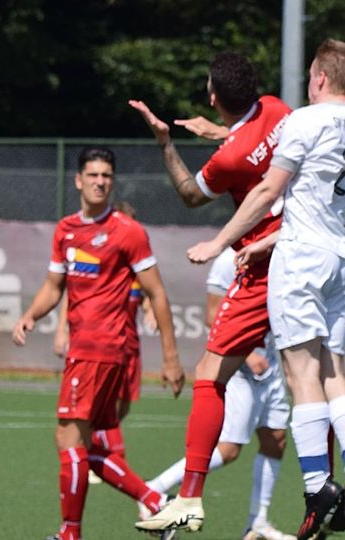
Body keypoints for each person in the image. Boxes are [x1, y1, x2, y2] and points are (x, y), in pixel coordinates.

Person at [186, 39, 345, 540]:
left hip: (301, 258)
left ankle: (317, 487)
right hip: (340, 253)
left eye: (310, 74)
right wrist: (223, 132)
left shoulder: (304, 121)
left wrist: (218, 243)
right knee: (332, 369)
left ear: (319, 78)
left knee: (301, 373)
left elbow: (269, 190)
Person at [128, 51, 292, 534]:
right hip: (308, 252)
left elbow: (190, 193)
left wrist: (165, 143)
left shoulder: (229, 159)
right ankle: (315, 494)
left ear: (213, 95)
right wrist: (223, 131)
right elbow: (260, 142)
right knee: (315, 376)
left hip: (264, 263)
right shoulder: (278, 109)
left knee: (208, 375)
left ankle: (188, 498)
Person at [12, 147, 186, 540]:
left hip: (101, 349)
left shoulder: (127, 231)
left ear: (112, 181)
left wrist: (171, 358)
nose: (99, 182)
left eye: (106, 176)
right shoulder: (66, 230)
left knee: (68, 438)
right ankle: (158, 504)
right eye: (92, 175)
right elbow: (54, 285)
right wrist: (30, 315)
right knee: (84, 447)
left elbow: (157, 293)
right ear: (78, 180)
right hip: (87, 350)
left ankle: (70, 534)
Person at [142, 246, 293, 540]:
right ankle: (154, 490)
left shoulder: (280, 251)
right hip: (240, 366)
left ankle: (258, 523)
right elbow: (213, 317)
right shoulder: (228, 260)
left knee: (275, 440)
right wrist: (248, 354)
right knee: (229, 449)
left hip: (270, 365)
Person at [53, 201, 150, 485]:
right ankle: (118, 469)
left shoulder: (137, 270)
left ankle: (104, 463)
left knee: (120, 410)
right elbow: (70, 293)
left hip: (129, 349)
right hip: (102, 347)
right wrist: (61, 331)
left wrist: (152, 314)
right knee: (86, 423)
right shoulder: (99, 260)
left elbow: (153, 297)